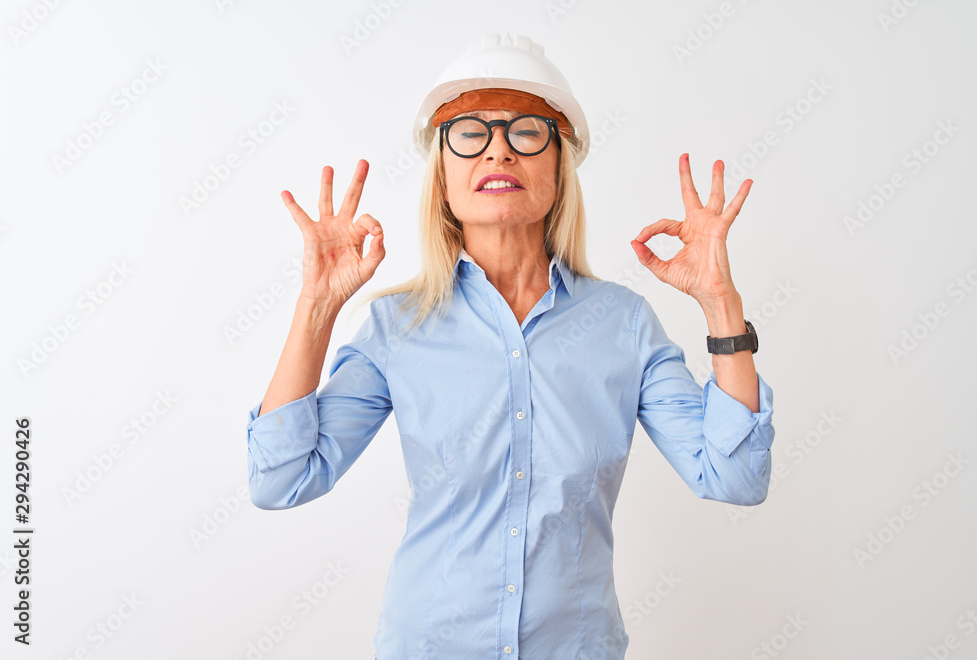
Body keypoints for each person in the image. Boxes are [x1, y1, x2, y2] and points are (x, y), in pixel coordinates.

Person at [246, 33, 775, 660]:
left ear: (559, 168)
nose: (498, 151)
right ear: (443, 177)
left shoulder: (623, 324)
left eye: (526, 132)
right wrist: (316, 307)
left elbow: (735, 476)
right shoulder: (398, 326)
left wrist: (721, 304)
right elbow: (280, 480)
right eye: (469, 134)